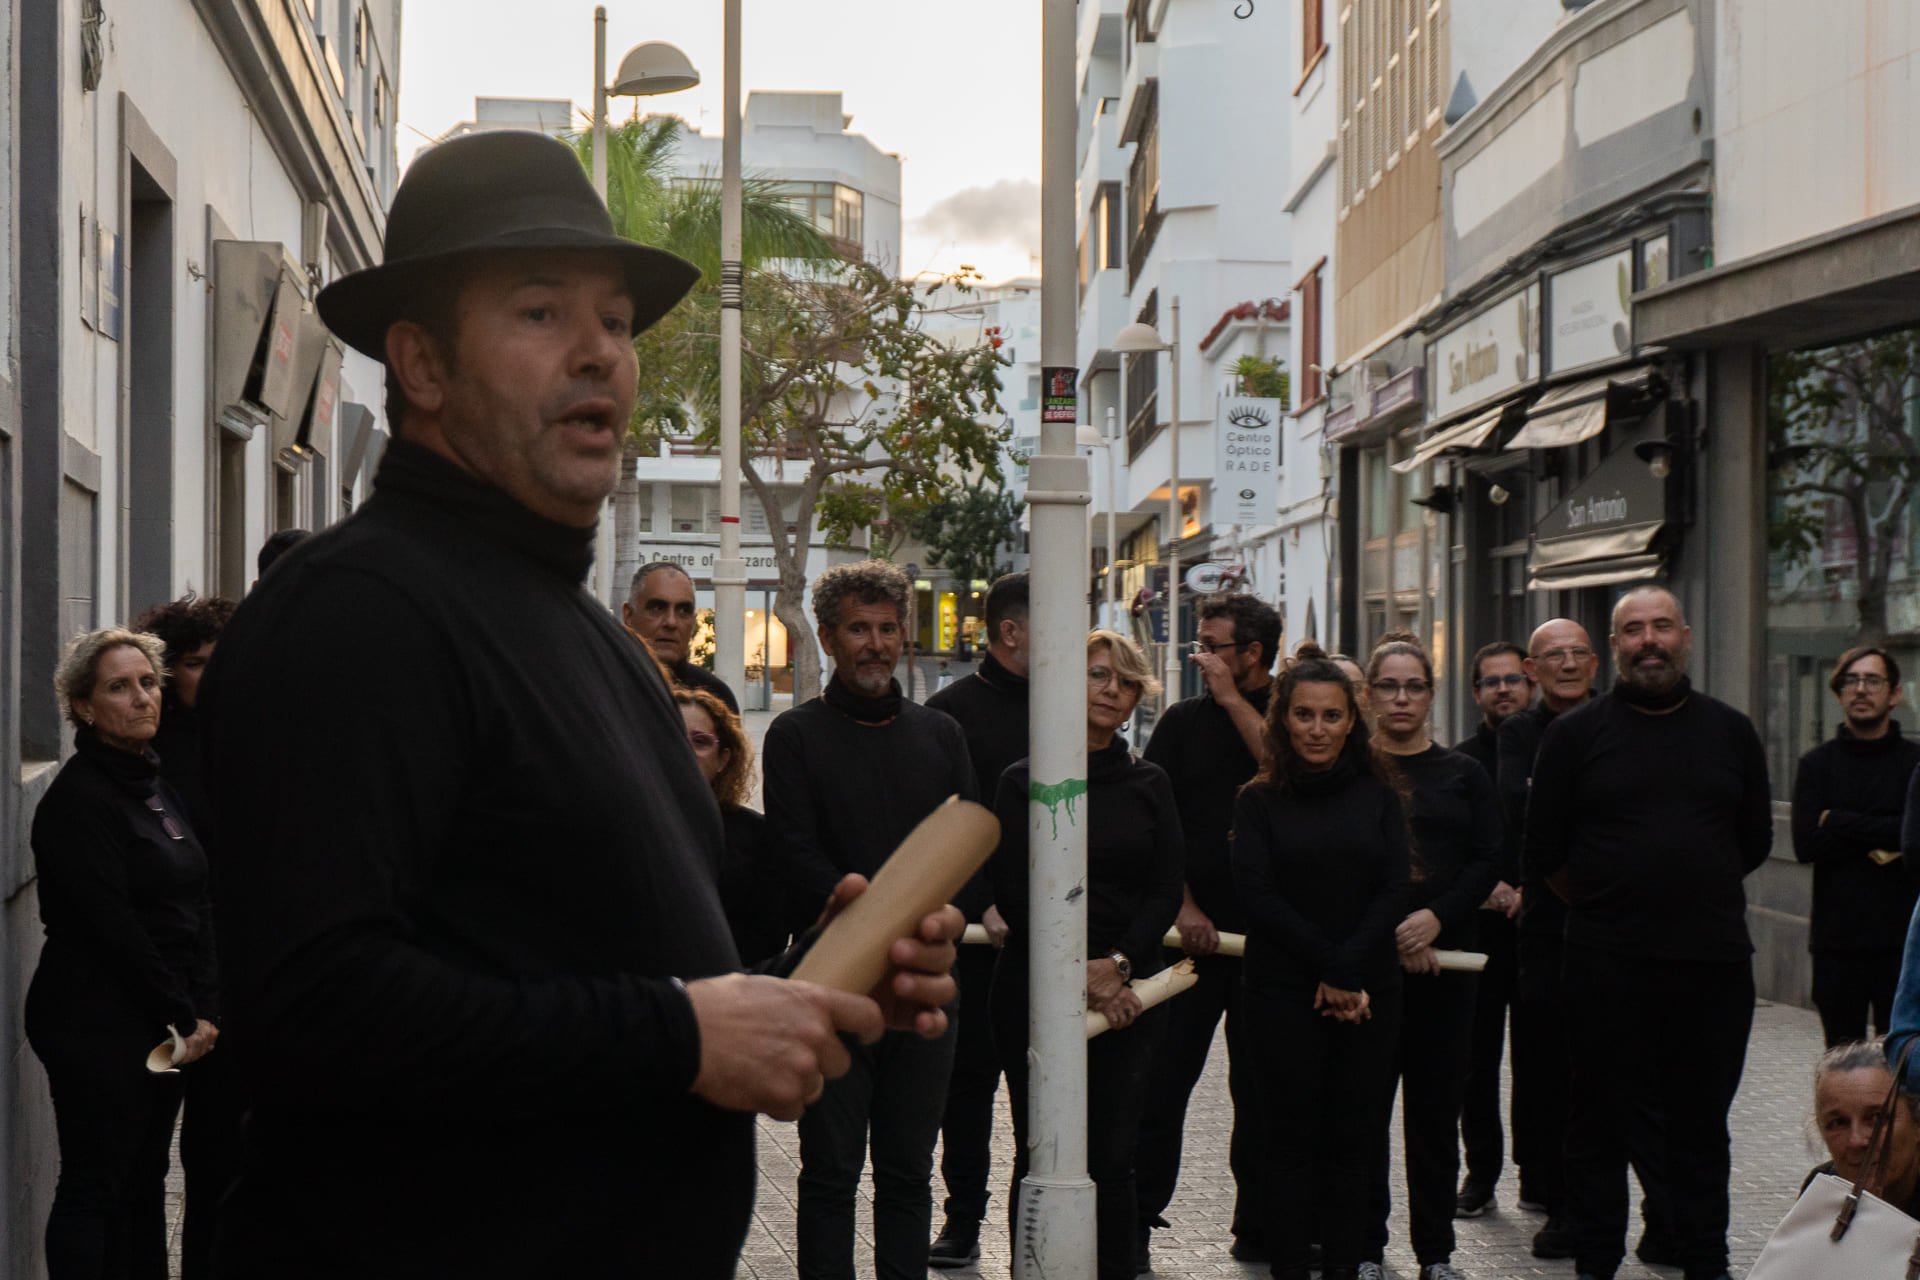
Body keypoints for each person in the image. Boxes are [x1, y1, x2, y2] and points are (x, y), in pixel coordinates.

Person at [197, 129, 961, 1277]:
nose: (601, 350)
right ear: (422, 364)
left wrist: (810, 985)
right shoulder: (359, 612)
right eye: (542, 312)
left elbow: (583, 945)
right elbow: (313, 1005)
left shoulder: (592, 637)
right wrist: (681, 1034)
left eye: (616, 320)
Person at [1526, 586, 1771, 1280]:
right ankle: (1596, 1261)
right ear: (1614, 647)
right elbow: (1545, 850)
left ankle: (1705, 1260)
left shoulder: (1731, 731)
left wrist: (1687, 890)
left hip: (1712, 964)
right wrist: (1614, 902)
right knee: (1597, 1122)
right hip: (1606, 964)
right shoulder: (1573, 737)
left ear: (1685, 636)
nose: (1649, 641)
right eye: (1633, 630)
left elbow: (1753, 839)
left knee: (1700, 1125)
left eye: (1662, 626)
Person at [762, 558, 976, 1280]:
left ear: (904, 635)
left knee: (909, 1173)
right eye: (859, 629)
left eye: (887, 628)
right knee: (830, 1172)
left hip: (921, 984)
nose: (876, 644)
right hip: (832, 980)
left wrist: (922, 927)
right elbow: (795, 851)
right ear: (827, 638)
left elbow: (965, 848)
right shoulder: (795, 735)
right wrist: (871, 924)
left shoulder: (941, 735)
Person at [989, 629, 1184, 1280]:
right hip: (1032, 987)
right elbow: (1014, 892)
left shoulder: (1150, 782)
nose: (1111, 690)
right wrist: (1078, 973)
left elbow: (1165, 888)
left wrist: (1119, 964)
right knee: (1038, 1148)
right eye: (1098, 674)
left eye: (1125, 681)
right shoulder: (1023, 781)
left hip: (1128, 992)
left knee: (1113, 1154)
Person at [26, 628, 220, 1279]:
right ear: (83, 706)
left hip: (161, 1020)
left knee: (144, 1179)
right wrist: (182, 1013)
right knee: (98, 1185)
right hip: (96, 1021)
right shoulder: (80, 801)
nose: (141, 698)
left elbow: (197, 896)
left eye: (146, 682)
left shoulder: (153, 784)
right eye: (118, 687)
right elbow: (113, 927)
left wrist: (204, 1005)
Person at [1233, 641, 1410, 1280]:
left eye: (1331, 716)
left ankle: (1343, 1268)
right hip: (1283, 992)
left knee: (1354, 1142)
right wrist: (1332, 967)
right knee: (1287, 1144)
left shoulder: (1379, 795)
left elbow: (1394, 888)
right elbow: (1258, 896)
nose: (1317, 729)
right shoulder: (1258, 800)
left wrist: (1347, 969)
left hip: (1367, 993)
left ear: (1351, 721)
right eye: (1304, 714)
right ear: (1283, 719)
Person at [1134, 592, 1281, 1268]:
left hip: (1268, 943)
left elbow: (1283, 773)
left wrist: (1231, 700)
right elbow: (1155, 824)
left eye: (1213, 646)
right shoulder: (1180, 723)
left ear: (1252, 653)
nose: (1201, 658)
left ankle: (1260, 1225)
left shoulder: (1293, 713)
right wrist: (1183, 906)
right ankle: (1138, 1219)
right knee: (1161, 1085)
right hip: (1186, 942)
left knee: (1262, 1091)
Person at [1361, 635, 1501, 1280]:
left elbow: (1486, 859)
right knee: (1363, 1115)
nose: (1401, 698)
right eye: (1388, 686)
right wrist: (1392, 934)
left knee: (1435, 1117)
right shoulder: (1353, 773)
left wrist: (1436, 919)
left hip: (1449, 968)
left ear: (1430, 695)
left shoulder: (1463, 774)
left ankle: (1436, 1254)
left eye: (1414, 686)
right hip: (1368, 970)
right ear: (1369, 694)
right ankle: (1364, 1247)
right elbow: (1338, 863)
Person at [128, 593, 244, 1280]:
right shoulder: (153, 757)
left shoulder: (247, 737)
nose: (214, 674)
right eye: (198, 663)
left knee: (223, 1153)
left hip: (232, 976)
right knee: (151, 1160)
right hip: (172, 979)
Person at [922, 571, 1030, 1269]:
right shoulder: (950, 713)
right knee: (967, 1088)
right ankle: (962, 1219)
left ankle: (1032, 1228)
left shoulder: (1071, 704)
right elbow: (944, 820)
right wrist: (982, 901)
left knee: (1043, 1092)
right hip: (979, 935)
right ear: (1010, 632)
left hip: (1054, 936)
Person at [1791, 647, 1920, 1047]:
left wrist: (1840, 821)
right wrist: (1888, 833)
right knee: (1841, 1060)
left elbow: (1914, 840)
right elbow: (1806, 844)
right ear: (1838, 692)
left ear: (1894, 694)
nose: (1860, 689)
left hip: (1902, 943)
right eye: (1851, 680)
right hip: (1837, 942)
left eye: (1872, 680)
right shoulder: (1816, 765)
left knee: (1902, 1062)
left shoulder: (1914, 764)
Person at [1453, 640, 1530, 1219]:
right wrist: (1487, 888)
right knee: (1474, 1063)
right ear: (1476, 692)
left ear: (1530, 682)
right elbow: (1447, 849)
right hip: (1477, 932)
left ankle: (1538, 1172)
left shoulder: (1558, 747)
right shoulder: (1460, 763)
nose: (1503, 690)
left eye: (1512, 679)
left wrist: (1533, 890)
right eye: (1491, 682)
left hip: (1540, 930)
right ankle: (1481, 1173)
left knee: (1541, 1060)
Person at [675, 686, 785, 967]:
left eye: (700, 741)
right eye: (672, 736)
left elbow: (769, 936)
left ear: (723, 759)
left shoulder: (757, 835)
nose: (685, 750)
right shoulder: (625, 829)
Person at [1804, 1039, 1920, 1214]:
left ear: (1917, 1123)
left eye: (1877, 1119)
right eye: (1838, 1123)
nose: (1856, 1140)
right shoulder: (1821, 1192)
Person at [623, 560, 739, 714]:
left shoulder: (716, 697)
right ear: (629, 615)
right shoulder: (600, 687)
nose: (671, 622)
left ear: (693, 622)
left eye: (684, 611)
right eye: (657, 608)